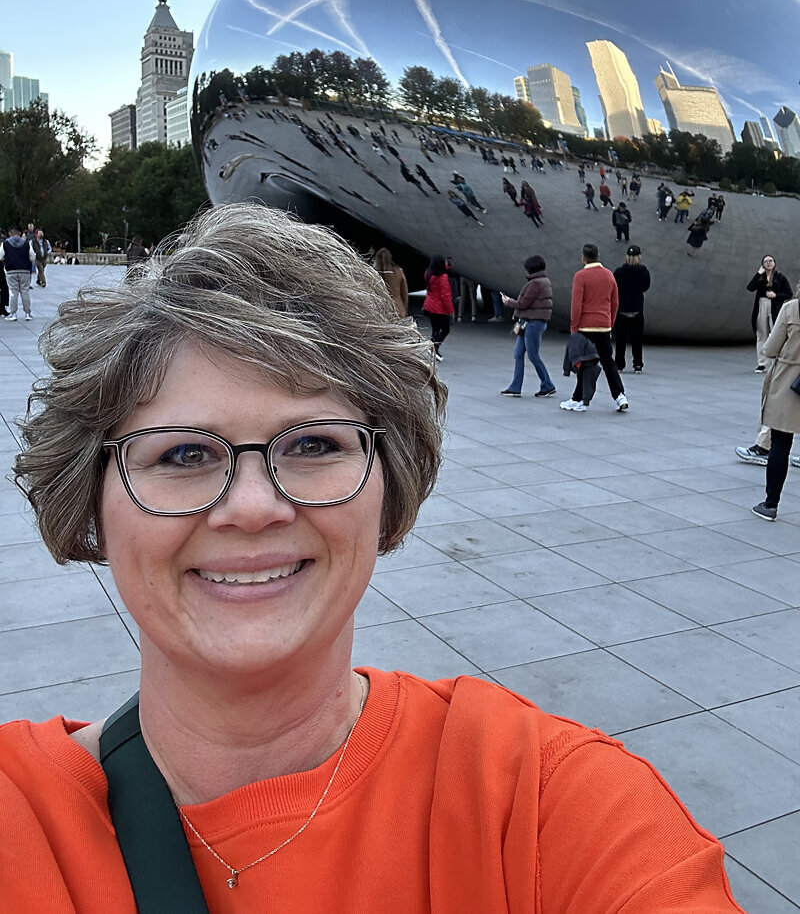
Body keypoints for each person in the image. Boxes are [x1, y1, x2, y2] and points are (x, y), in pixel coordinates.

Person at [3, 203, 746, 911]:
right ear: (91, 497)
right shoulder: (19, 820)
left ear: (390, 480)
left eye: (315, 443)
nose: (256, 505)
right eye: (185, 452)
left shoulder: (545, 801)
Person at [751, 289, 800, 520]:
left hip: (789, 380)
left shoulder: (791, 308)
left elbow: (769, 348)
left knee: (780, 443)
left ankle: (770, 504)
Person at [561, 243, 628, 412]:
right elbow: (615, 302)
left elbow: (576, 304)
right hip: (603, 325)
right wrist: (610, 323)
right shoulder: (609, 275)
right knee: (608, 362)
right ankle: (619, 395)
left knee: (584, 362)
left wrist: (574, 327)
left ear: (583, 257)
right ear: (598, 255)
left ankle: (580, 400)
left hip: (586, 325)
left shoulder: (580, 276)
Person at [499, 254, 556, 398]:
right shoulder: (543, 281)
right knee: (518, 353)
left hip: (532, 323)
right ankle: (515, 386)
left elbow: (523, 303)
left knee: (533, 355)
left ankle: (547, 384)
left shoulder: (535, 284)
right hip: (530, 322)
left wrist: (508, 302)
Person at [747, 255, 792, 373]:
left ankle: (775, 363)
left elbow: (789, 294)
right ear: (762, 264)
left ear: (774, 263)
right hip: (761, 305)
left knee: (774, 334)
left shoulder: (780, 277)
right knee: (762, 335)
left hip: (774, 306)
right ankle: (762, 363)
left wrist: (776, 295)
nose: (768, 263)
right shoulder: (760, 278)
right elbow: (750, 287)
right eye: (766, 261)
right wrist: (758, 273)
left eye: (770, 261)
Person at [614, 246, 651, 373]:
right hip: (636, 309)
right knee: (637, 340)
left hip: (622, 309)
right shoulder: (644, 272)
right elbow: (645, 287)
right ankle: (638, 364)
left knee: (620, 340)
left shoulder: (619, 272)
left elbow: (614, 287)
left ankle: (619, 364)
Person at [422, 253, 454, 361]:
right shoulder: (443, 277)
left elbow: (440, 268)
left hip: (429, 305)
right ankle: (434, 348)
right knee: (445, 329)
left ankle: (433, 349)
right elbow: (445, 296)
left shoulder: (428, 273)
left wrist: (448, 266)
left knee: (435, 329)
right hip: (439, 308)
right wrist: (450, 310)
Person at [0, 225, 36, 321]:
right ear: (19, 233)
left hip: (11, 270)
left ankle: (13, 313)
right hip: (24, 270)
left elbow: (0, 256)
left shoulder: (5, 244)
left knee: (13, 292)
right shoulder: (26, 244)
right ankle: (28, 313)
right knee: (25, 292)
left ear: (9, 233)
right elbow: (32, 257)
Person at [561, 333, 601, 411]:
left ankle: (578, 399)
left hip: (583, 334)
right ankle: (578, 399)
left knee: (584, 370)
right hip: (597, 332)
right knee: (585, 372)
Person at [372, 247, 408, 317]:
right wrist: (404, 309)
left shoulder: (374, 274)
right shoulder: (399, 272)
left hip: (380, 309)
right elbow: (404, 293)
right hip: (398, 308)